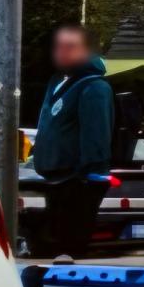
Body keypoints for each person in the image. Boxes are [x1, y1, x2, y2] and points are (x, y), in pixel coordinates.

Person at [27, 21, 117, 261]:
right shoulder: (59, 82)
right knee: (53, 244)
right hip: (56, 176)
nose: (63, 52)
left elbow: (97, 133)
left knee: (70, 246)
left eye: (71, 47)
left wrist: (90, 174)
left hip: (77, 179)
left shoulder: (93, 87)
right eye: (60, 46)